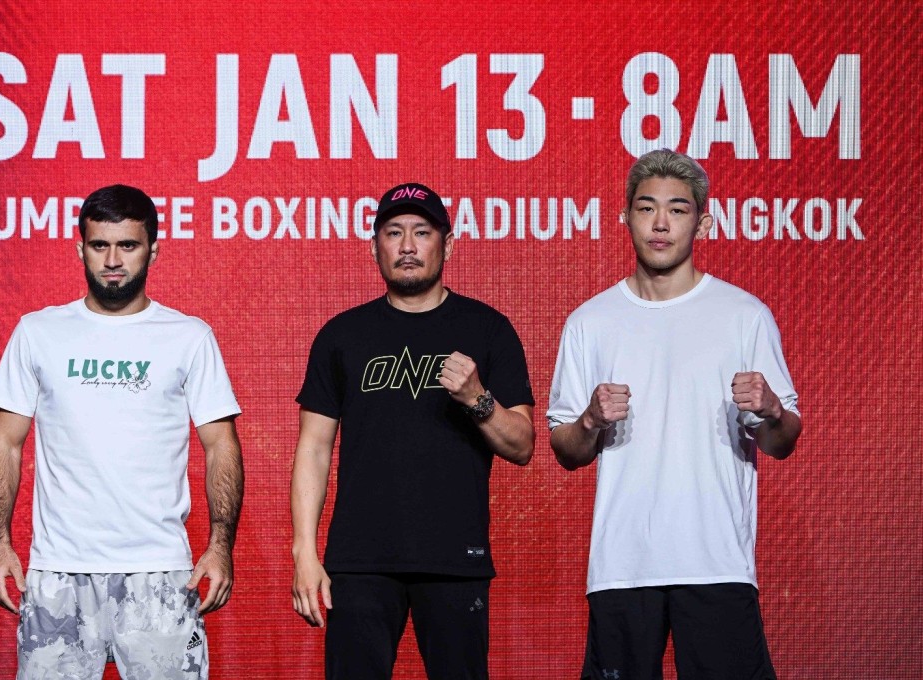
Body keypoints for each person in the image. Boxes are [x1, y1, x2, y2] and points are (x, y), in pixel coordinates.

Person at [547, 149, 801, 679]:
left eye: (677, 210)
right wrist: (590, 420)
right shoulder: (589, 322)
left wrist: (773, 409)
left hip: (717, 563)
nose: (660, 223)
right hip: (622, 568)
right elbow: (566, 451)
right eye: (646, 208)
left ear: (702, 222)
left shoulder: (744, 316)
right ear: (625, 217)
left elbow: (782, 441)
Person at [0, 184, 244, 680]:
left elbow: (220, 445)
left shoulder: (188, 336)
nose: (113, 260)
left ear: (153, 249)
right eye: (100, 245)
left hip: (160, 572)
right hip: (59, 569)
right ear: (80, 248)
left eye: (128, 245)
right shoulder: (38, 331)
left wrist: (219, 545)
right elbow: (5, 442)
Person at [290, 182, 535, 679]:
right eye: (393, 232)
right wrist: (304, 553)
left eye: (421, 232)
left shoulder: (488, 329)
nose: (406, 246)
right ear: (374, 245)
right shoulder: (342, 336)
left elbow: (523, 444)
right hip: (359, 562)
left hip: (454, 560)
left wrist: (477, 399)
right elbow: (313, 449)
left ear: (448, 243)